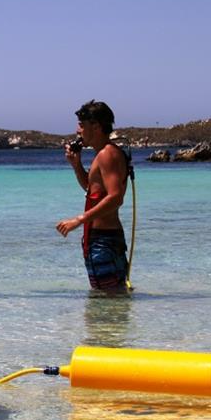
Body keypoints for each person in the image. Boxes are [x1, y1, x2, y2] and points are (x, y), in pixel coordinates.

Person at [56, 100, 129, 291]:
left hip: (104, 241)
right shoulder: (103, 154)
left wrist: (79, 220)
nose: (78, 130)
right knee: (110, 302)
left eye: (81, 125)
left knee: (107, 301)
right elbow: (91, 189)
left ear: (95, 126)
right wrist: (76, 165)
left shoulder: (107, 154)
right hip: (101, 239)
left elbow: (115, 197)